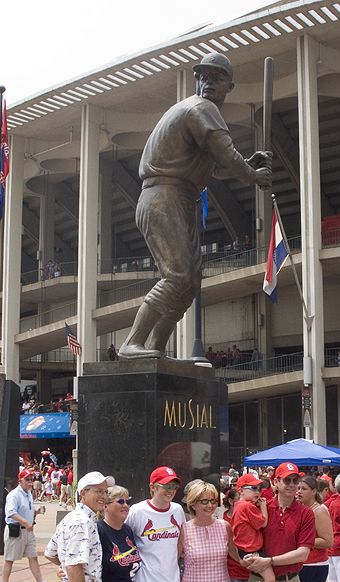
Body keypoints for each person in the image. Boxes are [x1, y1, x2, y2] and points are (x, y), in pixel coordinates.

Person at [118, 52, 272, 359]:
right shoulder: (201, 108)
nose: (208, 83)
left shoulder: (200, 111)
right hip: (164, 195)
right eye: (203, 76)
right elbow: (226, 155)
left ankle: (156, 348)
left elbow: (216, 168)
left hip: (179, 196)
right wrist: (254, 176)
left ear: (230, 85)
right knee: (177, 276)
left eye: (216, 78)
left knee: (189, 282)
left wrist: (249, 164)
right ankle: (130, 344)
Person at [1, 469, 57, 582]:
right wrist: (26, 523)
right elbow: (11, 513)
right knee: (10, 559)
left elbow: (27, 511)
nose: (30, 482)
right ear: (20, 480)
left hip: (28, 531)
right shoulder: (14, 495)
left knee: (33, 557)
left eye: (32, 479)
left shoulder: (28, 494)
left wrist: (37, 511)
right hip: (16, 530)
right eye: (27, 479)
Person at [231, 473, 276, 582]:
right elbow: (262, 523)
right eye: (254, 488)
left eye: (259, 488)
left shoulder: (239, 505)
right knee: (270, 579)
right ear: (241, 491)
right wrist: (263, 507)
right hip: (252, 551)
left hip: (246, 551)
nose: (258, 492)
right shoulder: (247, 506)